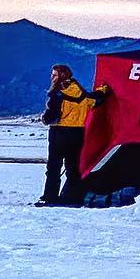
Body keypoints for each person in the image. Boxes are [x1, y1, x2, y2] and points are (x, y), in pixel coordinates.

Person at [36, 63, 108, 206]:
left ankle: (50, 197)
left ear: (62, 76)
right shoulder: (83, 95)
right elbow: (97, 99)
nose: (52, 77)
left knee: (54, 167)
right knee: (73, 167)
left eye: (54, 75)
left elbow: (52, 117)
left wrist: (44, 119)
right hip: (77, 133)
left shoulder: (56, 94)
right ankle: (72, 197)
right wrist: (103, 90)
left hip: (59, 133)